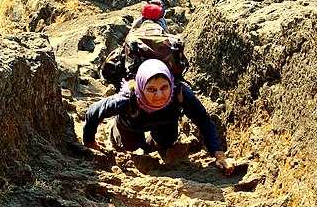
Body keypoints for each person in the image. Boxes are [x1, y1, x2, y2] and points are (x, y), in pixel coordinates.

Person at [83, 59, 234, 173]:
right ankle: (114, 131)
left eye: (164, 87)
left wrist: (219, 154)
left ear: (171, 83)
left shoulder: (179, 93)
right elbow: (93, 111)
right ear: (141, 88)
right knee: (129, 146)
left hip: (164, 122)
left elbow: (202, 119)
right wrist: (90, 142)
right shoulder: (127, 98)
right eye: (152, 90)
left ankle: (150, 143)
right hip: (132, 123)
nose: (160, 95)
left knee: (167, 140)